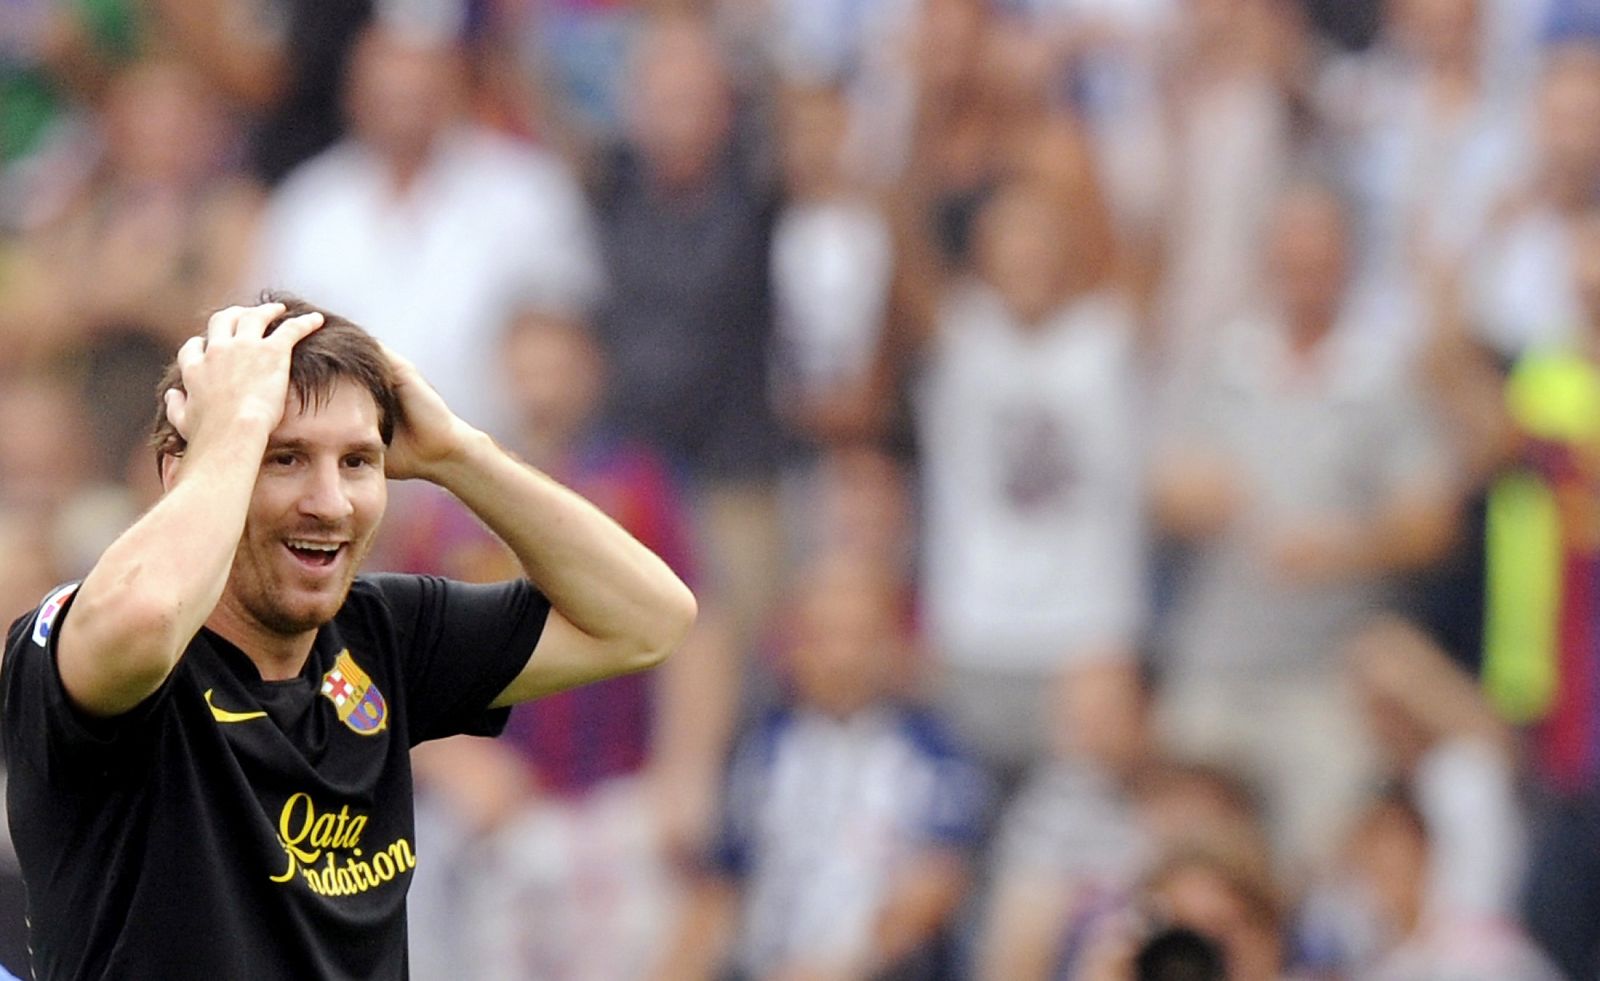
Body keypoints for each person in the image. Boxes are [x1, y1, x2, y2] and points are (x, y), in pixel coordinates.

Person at [0, 296, 697, 979]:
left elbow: (648, 618)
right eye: (284, 459)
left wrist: (457, 453)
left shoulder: (381, 633)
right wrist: (234, 428)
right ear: (186, 470)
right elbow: (148, 620)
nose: (330, 502)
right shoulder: (77, 637)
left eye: (358, 462)